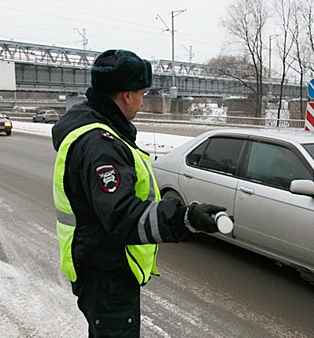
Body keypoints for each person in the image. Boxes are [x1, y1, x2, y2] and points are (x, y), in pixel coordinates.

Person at [51, 49, 226, 337]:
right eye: (142, 94)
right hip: (107, 273)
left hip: (97, 263)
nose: (143, 102)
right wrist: (185, 218)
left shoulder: (93, 127)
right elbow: (123, 216)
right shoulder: (100, 144)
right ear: (126, 96)